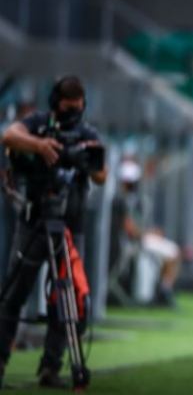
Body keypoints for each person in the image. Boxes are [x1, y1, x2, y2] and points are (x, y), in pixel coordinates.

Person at [0, 76, 108, 388]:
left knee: (67, 297)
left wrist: (82, 158)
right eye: (67, 108)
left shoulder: (87, 134)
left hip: (71, 226)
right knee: (14, 294)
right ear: (55, 103)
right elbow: (9, 136)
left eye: (78, 108)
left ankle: (51, 367)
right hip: (34, 220)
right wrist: (40, 145)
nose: (73, 114)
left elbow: (101, 174)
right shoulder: (38, 125)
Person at [109, 159, 181, 308]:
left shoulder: (130, 199)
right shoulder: (119, 200)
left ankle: (162, 290)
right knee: (173, 252)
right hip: (130, 244)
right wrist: (151, 232)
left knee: (166, 255)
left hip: (135, 241)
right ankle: (164, 291)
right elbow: (131, 232)